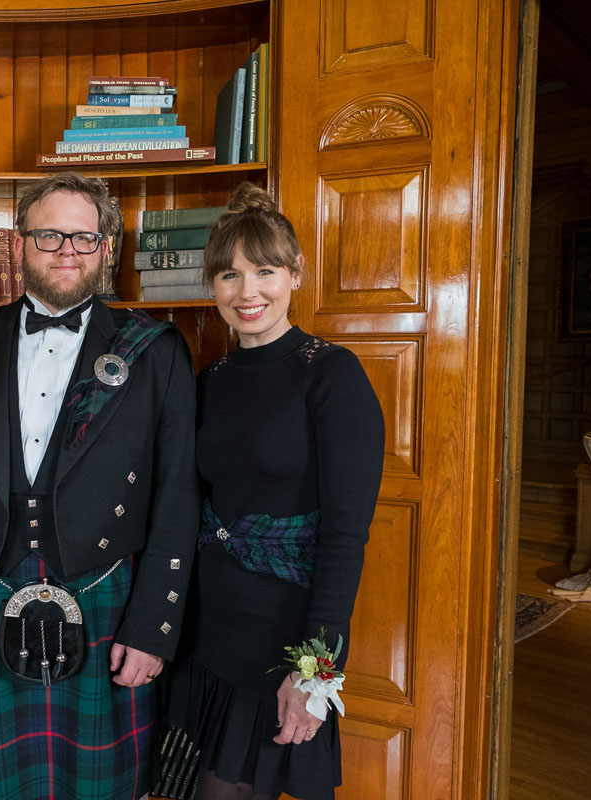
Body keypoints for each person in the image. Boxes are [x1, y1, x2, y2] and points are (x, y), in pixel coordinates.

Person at [0, 172, 199, 800]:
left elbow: (178, 496)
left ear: (105, 249)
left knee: (98, 782)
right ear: (20, 244)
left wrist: (152, 627)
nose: (67, 250)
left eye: (83, 238)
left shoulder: (154, 350)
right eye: (49, 235)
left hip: (104, 589)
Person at [164, 183, 385, 800]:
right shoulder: (210, 380)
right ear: (212, 284)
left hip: (283, 647)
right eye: (229, 275)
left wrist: (315, 673)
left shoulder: (332, 375)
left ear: (295, 274)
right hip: (207, 637)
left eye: (264, 271)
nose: (247, 291)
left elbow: (345, 537)